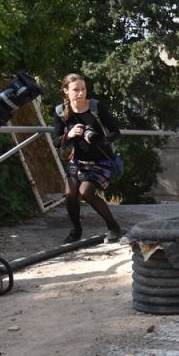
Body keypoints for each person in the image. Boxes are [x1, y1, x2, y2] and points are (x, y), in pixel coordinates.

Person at [52, 73, 123, 244]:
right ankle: (76, 231)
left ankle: (113, 227)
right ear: (66, 91)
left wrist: (100, 139)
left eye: (83, 89)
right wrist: (69, 135)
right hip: (77, 161)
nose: (80, 93)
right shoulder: (61, 112)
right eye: (75, 90)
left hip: (101, 160)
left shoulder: (96, 107)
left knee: (86, 192)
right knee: (70, 194)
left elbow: (116, 132)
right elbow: (56, 142)